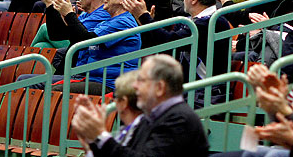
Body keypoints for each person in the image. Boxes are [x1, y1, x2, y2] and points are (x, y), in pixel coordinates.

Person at [72, 54, 209, 157]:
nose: (135, 86)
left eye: (141, 81)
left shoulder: (179, 119)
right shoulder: (152, 117)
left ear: (159, 88)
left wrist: (101, 136)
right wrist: (92, 142)